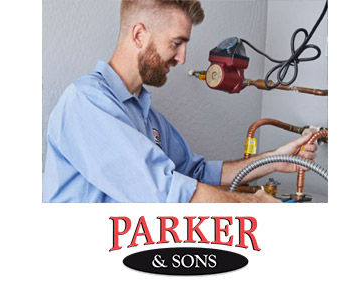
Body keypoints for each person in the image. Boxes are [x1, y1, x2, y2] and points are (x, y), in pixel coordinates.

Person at [43, 0, 317, 203]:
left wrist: (274, 160)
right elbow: (162, 191)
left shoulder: (148, 118)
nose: (182, 58)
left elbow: (195, 172)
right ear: (139, 35)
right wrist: (254, 204)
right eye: (176, 43)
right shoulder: (86, 103)